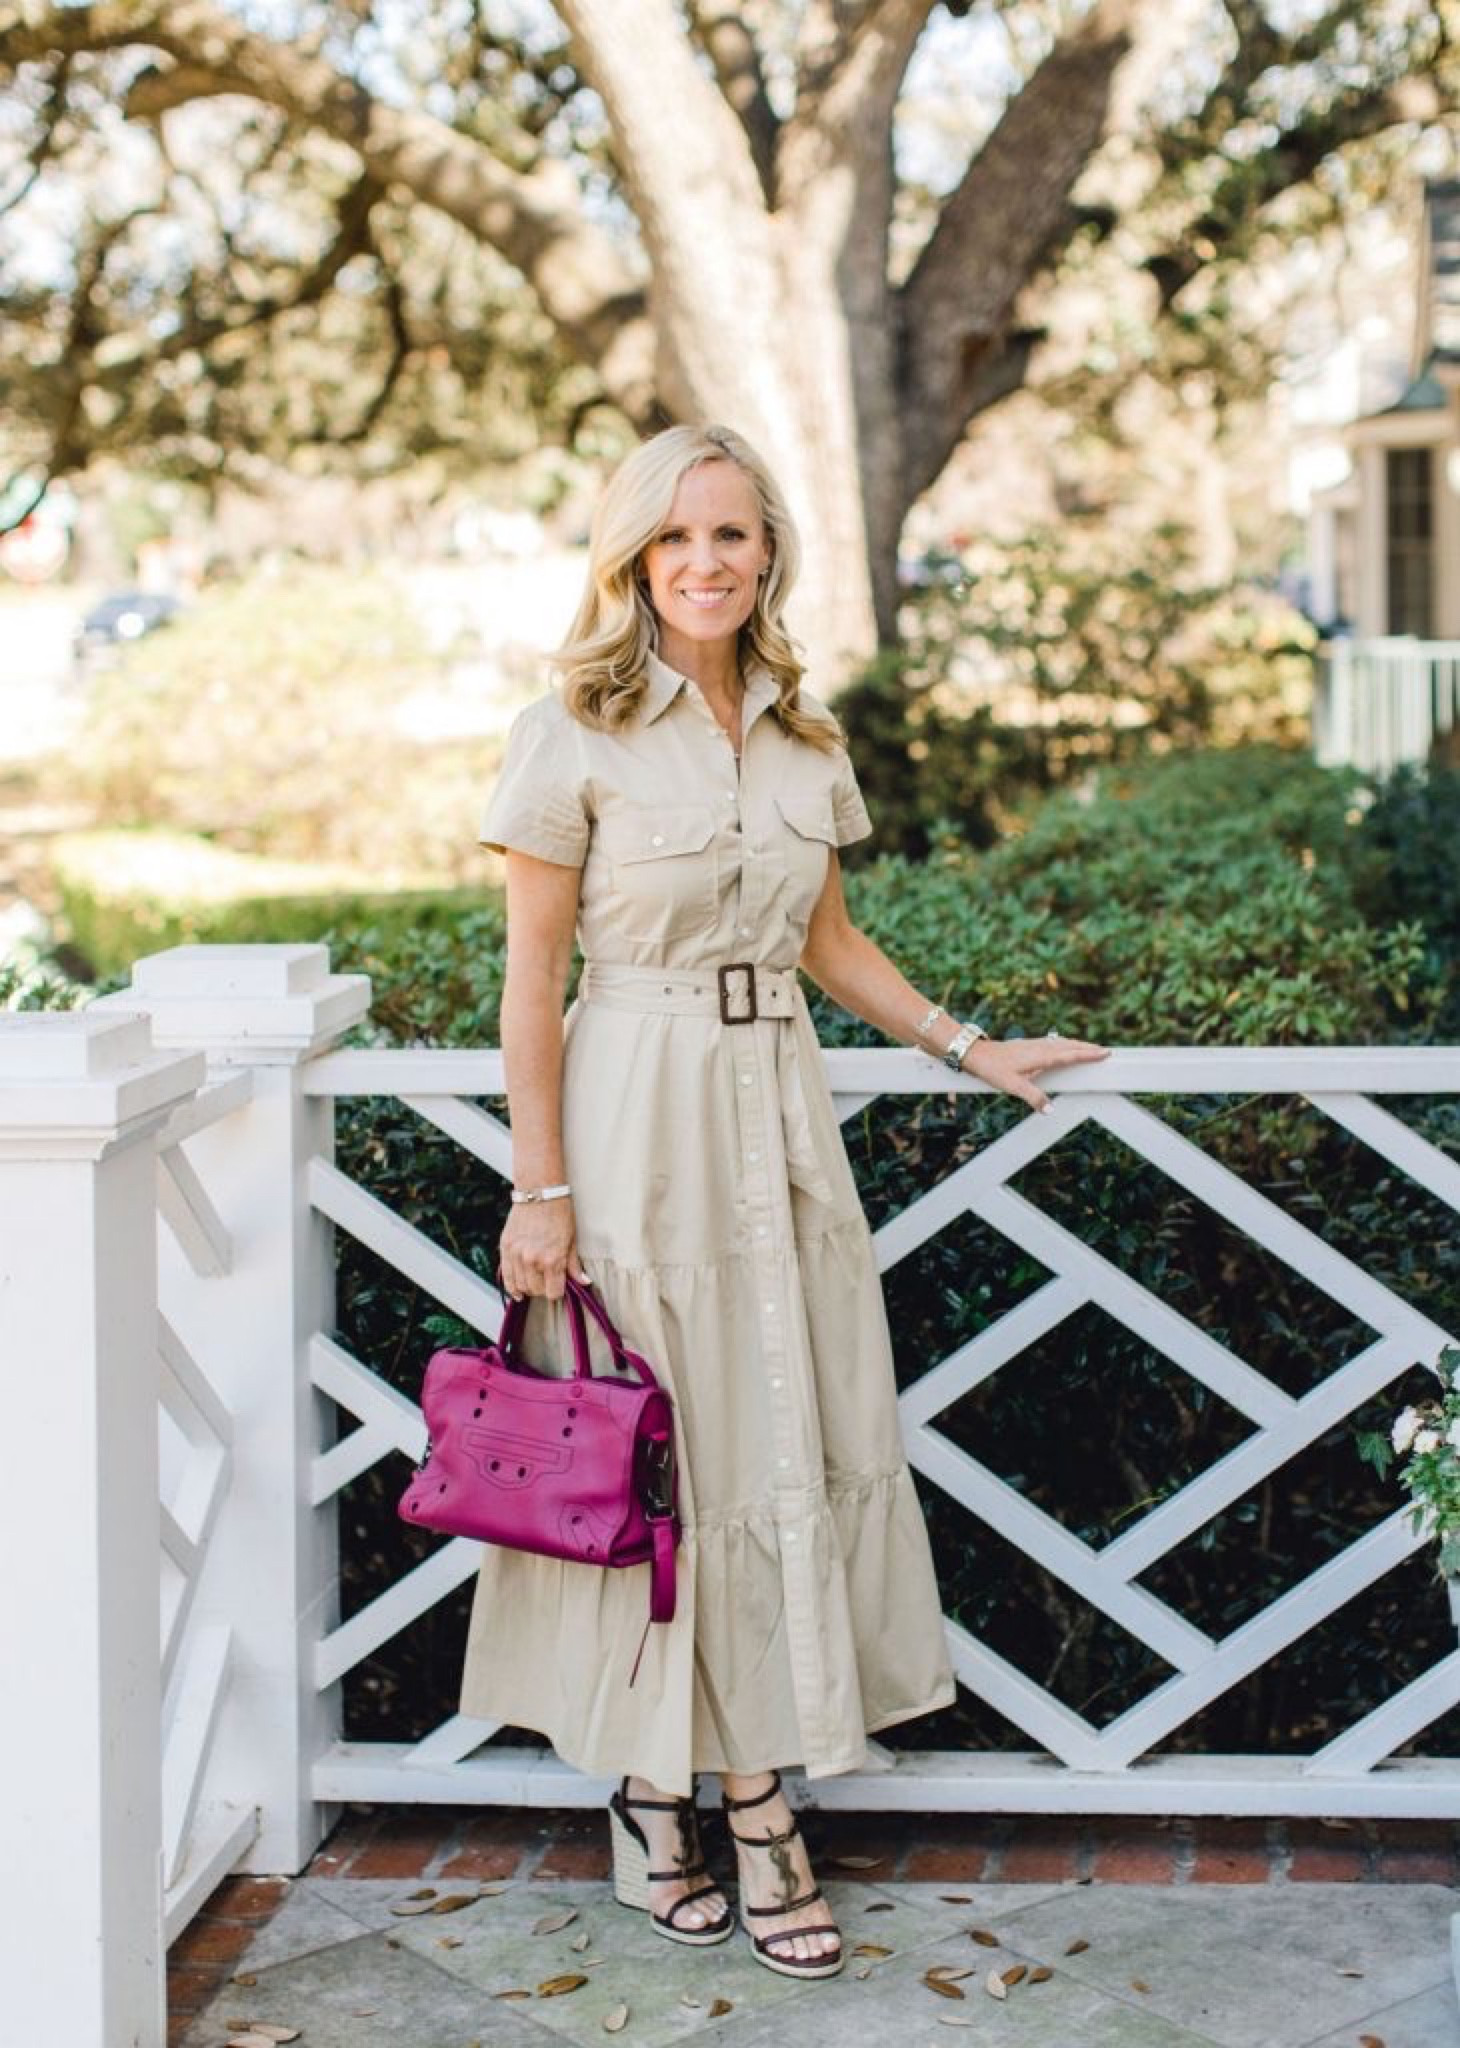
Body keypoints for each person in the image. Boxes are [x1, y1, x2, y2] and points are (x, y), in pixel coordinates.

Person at [460, 421, 1108, 1979]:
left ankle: (706, 1794)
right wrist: (539, 1188)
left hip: (781, 1121)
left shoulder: (808, 739)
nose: (705, 562)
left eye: (733, 535)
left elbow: (829, 945)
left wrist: (969, 1045)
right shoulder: (568, 732)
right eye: (676, 537)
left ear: (768, 555)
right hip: (635, 1115)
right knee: (663, 1459)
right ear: (633, 559)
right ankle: (708, 1802)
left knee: (773, 1444)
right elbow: (531, 986)